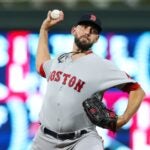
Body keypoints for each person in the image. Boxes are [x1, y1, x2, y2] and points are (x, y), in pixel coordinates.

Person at [31, 10, 145, 150]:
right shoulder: (60, 59)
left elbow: (137, 90)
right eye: (84, 27)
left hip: (82, 140)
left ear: (96, 39)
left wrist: (124, 118)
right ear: (74, 30)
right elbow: (41, 67)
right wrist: (44, 29)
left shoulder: (102, 65)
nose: (87, 32)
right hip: (44, 138)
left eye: (93, 31)